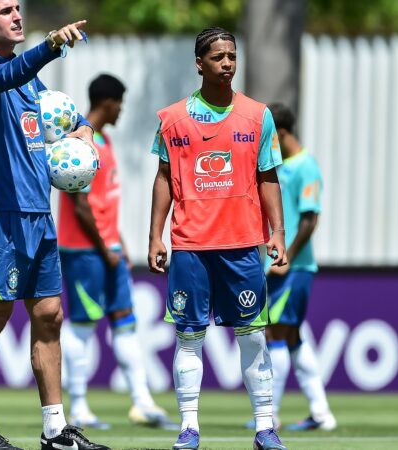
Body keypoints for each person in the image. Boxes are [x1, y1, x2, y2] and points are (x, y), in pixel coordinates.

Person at [0, 1, 109, 450]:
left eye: (19, 7)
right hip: (0, 215)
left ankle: (55, 430)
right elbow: (11, 74)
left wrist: (83, 130)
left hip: (39, 215)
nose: (18, 15)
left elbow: (57, 112)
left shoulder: (30, 81)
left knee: (49, 316)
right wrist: (50, 46)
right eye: (6, 10)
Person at [148, 27, 289, 450]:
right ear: (199, 63)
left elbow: (268, 177)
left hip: (243, 243)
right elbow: (164, 178)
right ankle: (189, 428)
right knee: (190, 336)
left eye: (232, 56)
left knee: (252, 335)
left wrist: (277, 230)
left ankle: (265, 428)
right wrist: (156, 235)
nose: (227, 63)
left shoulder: (258, 116)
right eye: (218, 57)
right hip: (191, 245)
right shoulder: (172, 119)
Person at [58, 74, 179, 431]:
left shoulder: (104, 142)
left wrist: (120, 246)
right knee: (81, 326)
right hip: (83, 251)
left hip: (108, 249)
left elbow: (103, 204)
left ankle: (142, 402)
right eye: (120, 102)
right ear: (107, 102)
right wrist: (104, 249)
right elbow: (80, 206)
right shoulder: (77, 146)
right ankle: (77, 408)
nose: (122, 109)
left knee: (125, 323)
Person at [261, 103, 337, 431]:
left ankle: (270, 415)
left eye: (268, 136)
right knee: (291, 337)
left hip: (293, 267)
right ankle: (321, 413)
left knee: (275, 333)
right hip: (280, 265)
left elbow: (310, 218)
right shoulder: (279, 166)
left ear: (280, 133)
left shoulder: (307, 167)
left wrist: (287, 255)